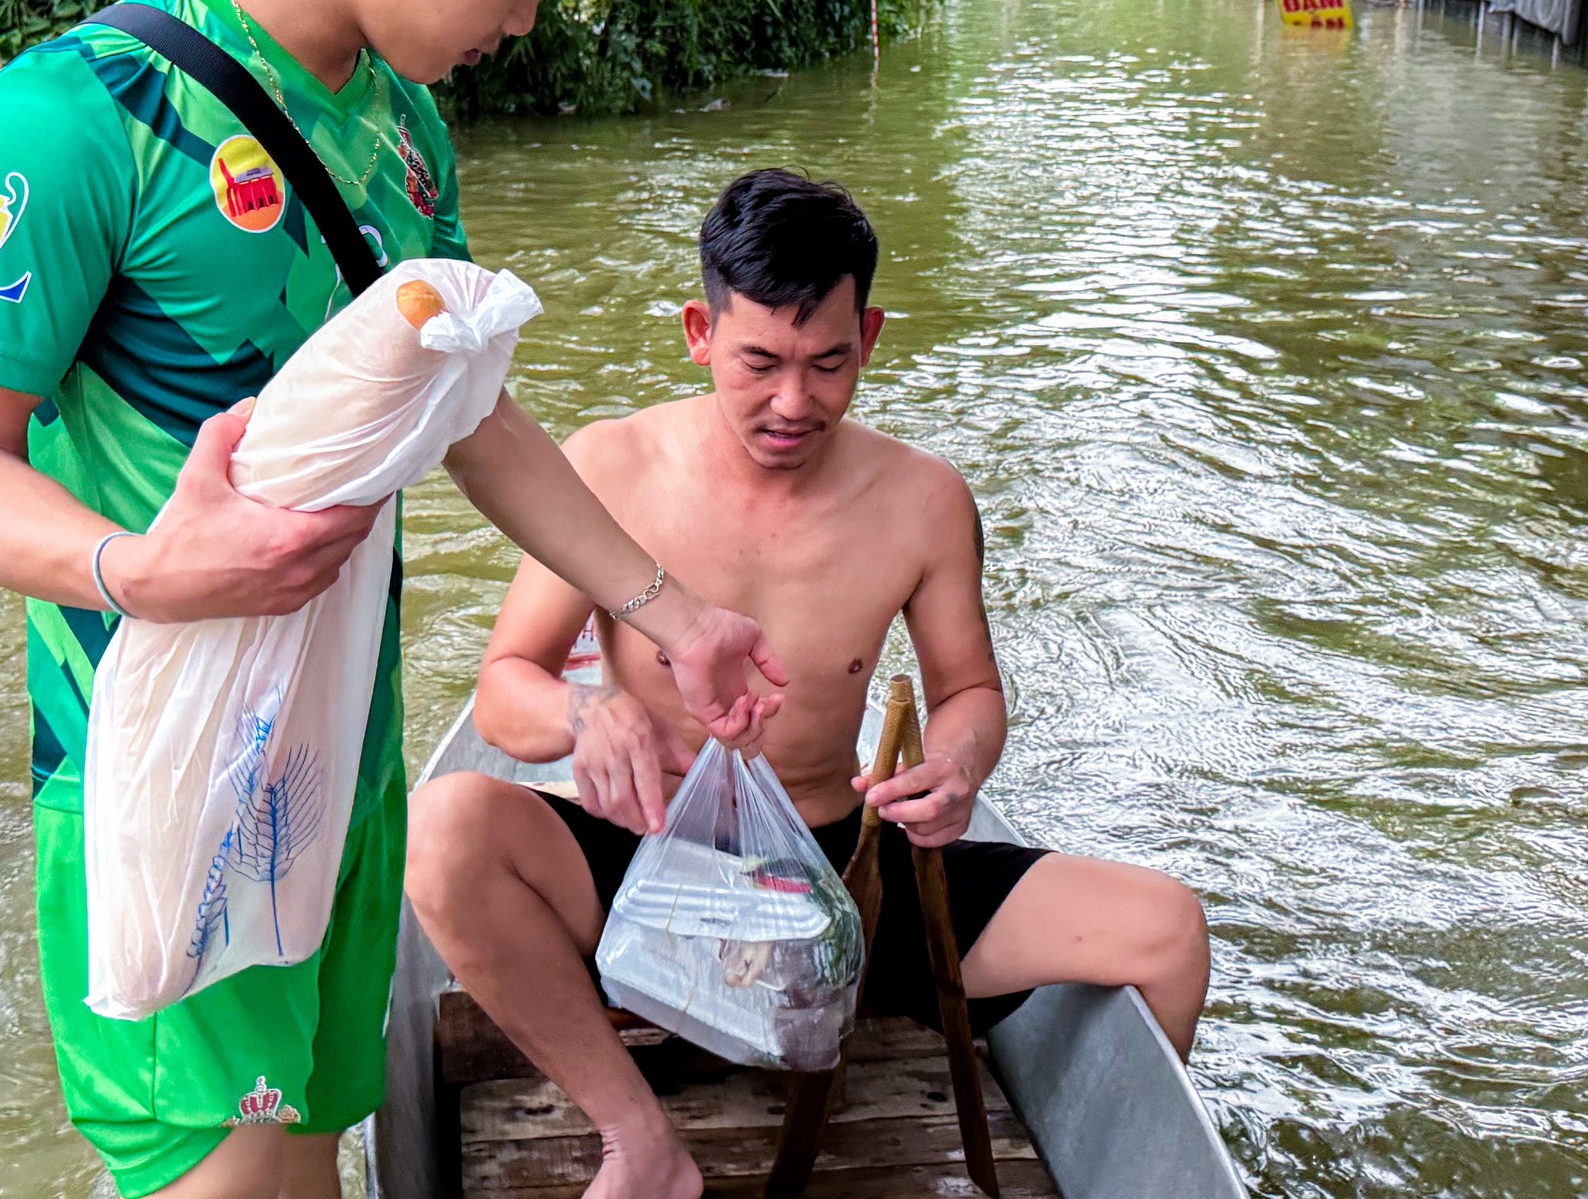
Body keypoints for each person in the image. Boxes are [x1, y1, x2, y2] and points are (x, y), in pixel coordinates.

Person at [0, 0, 781, 1199]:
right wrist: (137, 566)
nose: (525, 20)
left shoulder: (402, 125)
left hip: (338, 756)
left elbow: (469, 417)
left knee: (311, 1157)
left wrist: (673, 612)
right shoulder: (67, 123)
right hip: (163, 778)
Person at [407, 170, 1211, 1199]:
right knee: (441, 831)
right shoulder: (608, 467)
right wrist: (584, 712)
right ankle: (640, 1143)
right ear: (699, 330)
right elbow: (501, 689)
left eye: (829, 363)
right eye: (760, 362)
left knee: (1166, 929)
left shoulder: (921, 498)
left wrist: (958, 768)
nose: (794, 402)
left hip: (848, 883)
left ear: (869, 337)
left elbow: (969, 691)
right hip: (656, 874)